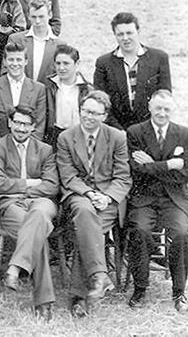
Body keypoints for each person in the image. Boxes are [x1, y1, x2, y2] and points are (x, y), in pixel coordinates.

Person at [56, 90, 132, 318]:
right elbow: (68, 176)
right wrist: (90, 193)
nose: (89, 117)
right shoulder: (66, 137)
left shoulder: (117, 137)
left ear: (105, 116)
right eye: (85, 111)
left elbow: (123, 176)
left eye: (95, 113)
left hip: (108, 199)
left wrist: (107, 197)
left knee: (87, 229)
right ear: (80, 110)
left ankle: (78, 298)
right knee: (85, 214)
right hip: (80, 195)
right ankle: (99, 275)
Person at [0, 106, 60, 320]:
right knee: (39, 234)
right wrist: (29, 183)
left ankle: (15, 269)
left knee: (37, 218)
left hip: (41, 203)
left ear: (33, 127)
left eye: (26, 124)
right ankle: (44, 302)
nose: (21, 128)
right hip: (11, 205)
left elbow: (52, 185)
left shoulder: (45, 150)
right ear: (10, 123)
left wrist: (23, 189)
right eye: (17, 122)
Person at [125, 90, 188, 313]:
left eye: (166, 109)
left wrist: (152, 165)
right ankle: (140, 287)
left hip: (173, 199)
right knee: (139, 230)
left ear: (172, 110)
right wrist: (168, 165)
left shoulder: (184, 134)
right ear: (149, 107)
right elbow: (136, 171)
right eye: (158, 108)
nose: (162, 113)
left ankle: (179, 291)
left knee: (181, 233)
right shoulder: (135, 132)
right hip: (144, 198)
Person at [93, 11, 172, 130]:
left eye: (129, 33)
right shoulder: (104, 63)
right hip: (116, 132)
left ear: (138, 32)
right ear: (114, 34)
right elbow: (100, 102)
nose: (125, 38)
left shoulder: (159, 58)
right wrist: (118, 131)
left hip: (150, 130)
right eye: (120, 34)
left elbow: (164, 96)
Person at [0, 41, 47, 142]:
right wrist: (1, 147)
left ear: (26, 61)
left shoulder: (39, 89)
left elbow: (39, 125)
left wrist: (27, 149)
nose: (15, 64)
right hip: (0, 148)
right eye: (11, 59)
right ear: (5, 62)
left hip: (29, 150)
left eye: (19, 59)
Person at [44, 44, 92, 147]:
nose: (61, 68)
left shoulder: (87, 90)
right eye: (58, 63)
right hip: (55, 136)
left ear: (77, 63)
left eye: (66, 63)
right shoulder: (49, 87)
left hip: (80, 136)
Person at [8, 0, 63, 82]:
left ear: (50, 15)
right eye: (34, 17)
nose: (37, 21)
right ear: (28, 16)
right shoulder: (15, 39)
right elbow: (6, 70)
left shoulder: (60, 45)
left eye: (41, 17)